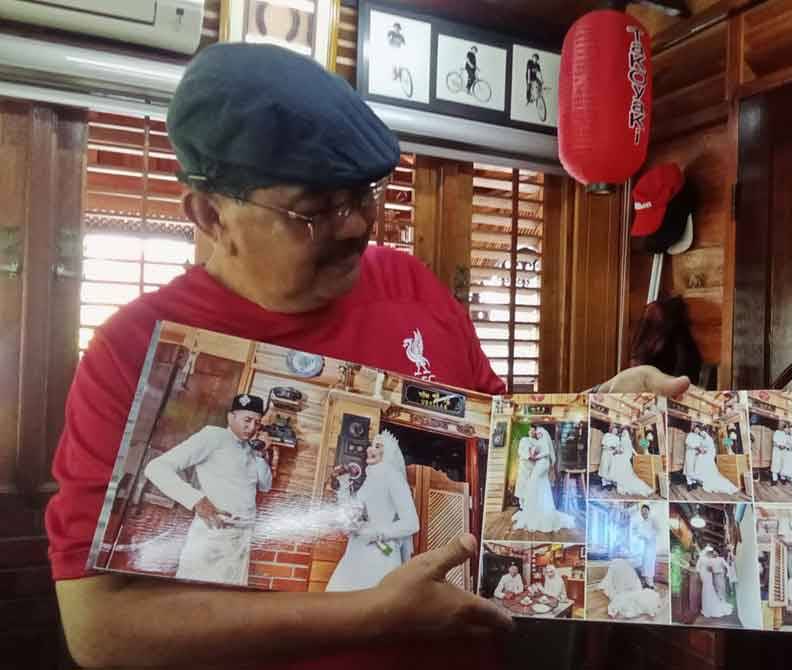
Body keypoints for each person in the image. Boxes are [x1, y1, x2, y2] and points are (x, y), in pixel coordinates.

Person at [45, 42, 690, 669]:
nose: (356, 225)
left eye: (364, 195)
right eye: (315, 211)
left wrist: (592, 411)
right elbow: (98, 629)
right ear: (210, 214)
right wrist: (372, 614)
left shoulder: (408, 284)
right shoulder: (132, 350)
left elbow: (493, 449)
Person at [143, 393, 273, 586]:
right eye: (247, 420)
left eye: (257, 422)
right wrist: (196, 500)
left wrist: (261, 453)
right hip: (213, 535)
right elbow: (156, 468)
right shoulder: (214, 436)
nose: (252, 427)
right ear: (231, 417)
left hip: (241, 540)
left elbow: (265, 485)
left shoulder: (250, 450)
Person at [326, 431, 418, 591]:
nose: (369, 449)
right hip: (357, 551)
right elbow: (351, 516)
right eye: (371, 445)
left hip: (380, 554)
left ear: (388, 453)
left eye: (377, 446)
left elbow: (412, 523)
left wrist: (377, 533)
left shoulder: (393, 476)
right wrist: (344, 484)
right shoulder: (371, 479)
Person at [511, 426, 575, 533]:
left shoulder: (543, 441)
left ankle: (537, 511)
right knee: (540, 485)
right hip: (540, 464)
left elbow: (546, 452)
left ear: (543, 433)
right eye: (537, 433)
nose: (537, 434)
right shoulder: (533, 441)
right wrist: (532, 454)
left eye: (539, 433)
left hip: (542, 463)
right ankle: (536, 508)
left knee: (534, 482)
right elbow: (532, 451)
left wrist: (536, 457)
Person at [692, 426, 740, 495]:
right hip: (703, 454)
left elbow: (710, 447)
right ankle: (700, 479)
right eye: (695, 430)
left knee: (705, 464)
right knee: (699, 459)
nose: (697, 431)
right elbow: (701, 446)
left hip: (707, 454)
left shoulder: (706, 436)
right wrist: (700, 451)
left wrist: (705, 451)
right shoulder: (699, 438)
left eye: (697, 430)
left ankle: (706, 480)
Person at [606, 427, 654, 496]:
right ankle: (619, 481)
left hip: (624, 456)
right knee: (616, 460)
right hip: (624, 456)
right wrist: (636, 454)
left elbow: (627, 449)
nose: (623, 434)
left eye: (624, 433)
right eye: (623, 433)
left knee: (617, 460)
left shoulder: (624, 440)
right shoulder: (625, 440)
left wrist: (636, 454)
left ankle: (620, 482)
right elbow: (626, 449)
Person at [696, 546, 734, 618]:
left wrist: (711, 570)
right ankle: (707, 607)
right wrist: (701, 574)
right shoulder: (703, 558)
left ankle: (708, 607)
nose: (711, 553)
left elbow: (709, 568)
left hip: (708, 575)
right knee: (707, 590)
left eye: (711, 552)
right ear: (707, 552)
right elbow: (698, 568)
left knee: (709, 589)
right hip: (705, 575)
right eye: (710, 552)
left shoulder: (709, 559)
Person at [631, 504, 658, 588]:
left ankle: (650, 584)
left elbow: (656, 531)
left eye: (645, 511)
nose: (643, 513)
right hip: (645, 546)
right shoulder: (641, 523)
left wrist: (647, 536)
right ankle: (647, 583)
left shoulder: (653, 520)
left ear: (648, 511)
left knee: (650, 564)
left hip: (651, 546)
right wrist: (639, 535)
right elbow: (638, 534)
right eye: (642, 512)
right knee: (645, 565)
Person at [513, 428, 536, 508]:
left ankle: (530, 503)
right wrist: (527, 457)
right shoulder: (524, 439)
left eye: (533, 431)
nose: (532, 432)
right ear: (528, 431)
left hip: (533, 466)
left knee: (531, 484)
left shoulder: (537, 442)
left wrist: (534, 458)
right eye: (531, 430)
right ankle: (521, 504)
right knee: (522, 483)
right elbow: (520, 451)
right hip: (524, 465)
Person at [683, 423, 704, 490]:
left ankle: (694, 482)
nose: (697, 430)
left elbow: (701, 446)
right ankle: (689, 483)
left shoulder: (700, 437)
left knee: (695, 468)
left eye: (698, 429)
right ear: (694, 429)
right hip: (690, 453)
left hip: (696, 454)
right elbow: (687, 443)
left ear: (699, 430)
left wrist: (700, 450)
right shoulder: (690, 435)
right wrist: (695, 447)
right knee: (689, 468)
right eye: (696, 429)